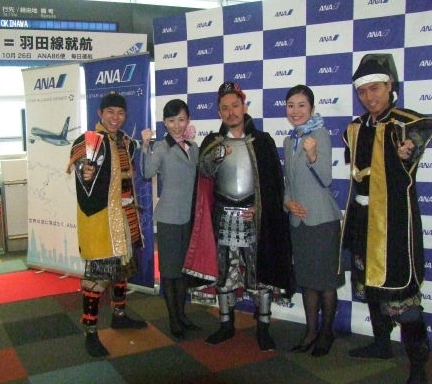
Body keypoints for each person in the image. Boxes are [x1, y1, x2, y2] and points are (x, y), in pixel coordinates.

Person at [342, 54, 432, 384]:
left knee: (402, 295)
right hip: (362, 220)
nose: (369, 96)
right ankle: (382, 344)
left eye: (375, 88)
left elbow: (418, 136)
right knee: (371, 285)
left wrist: (409, 150)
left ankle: (418, 371)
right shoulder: (355, 128)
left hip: (395, 224)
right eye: (363, 90)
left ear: (389, 86)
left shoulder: (405, 125)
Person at [183, 81, 293, 350]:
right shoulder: (213, 142)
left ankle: (263, 327)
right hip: (222, 216)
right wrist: (217, 155)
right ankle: (225, 324)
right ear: (219, 112)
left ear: (244, 107)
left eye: (235, 106)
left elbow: (273, 185)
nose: (231, 112)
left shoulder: (263, 141)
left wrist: (261, 209)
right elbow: (204, 173)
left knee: (260, 273)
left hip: (254, 217)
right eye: (225, 108)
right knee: (224, 272)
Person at [67, 92, 147, 358]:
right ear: (100, 114)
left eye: (120, 113)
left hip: (125, 216)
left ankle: (119, 315)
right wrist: (85, 172)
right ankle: (90, 332)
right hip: (100, 219)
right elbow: (83, 172)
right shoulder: (88, 140)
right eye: (110, 112)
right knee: (97, 277)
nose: (115, 117)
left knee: (122, 270)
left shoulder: (126, 142)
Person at [282, 85, 344, 357]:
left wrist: (313, 156)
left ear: (312, 109)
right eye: (290, 105)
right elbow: (288, 182)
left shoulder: (319, 135)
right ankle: (310, 331)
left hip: (322, 221)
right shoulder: (289, 141)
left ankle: (326, 332)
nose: (295, 111)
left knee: (326, 282)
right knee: (308, 281)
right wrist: (287, 202)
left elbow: (326, 179)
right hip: (299, 223)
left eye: (301, 105)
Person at [140, 99, 200, 339]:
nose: (177, 125)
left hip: (189, 218)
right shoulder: (161, 147)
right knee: (169, 271)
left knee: (183, 271)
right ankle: (174, 319)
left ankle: (182, 315)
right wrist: (145, 146)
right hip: (169, 218)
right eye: (171, 120)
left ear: (188, 120)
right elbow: (147, 172)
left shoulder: (193, 147)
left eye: (181, 119)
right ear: (165, 122)